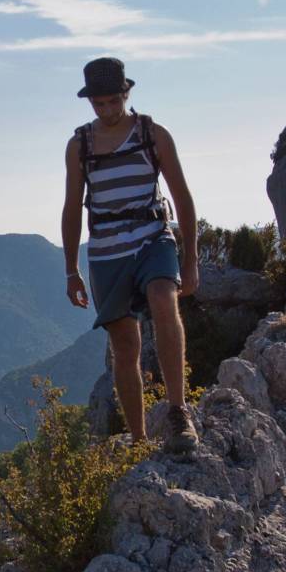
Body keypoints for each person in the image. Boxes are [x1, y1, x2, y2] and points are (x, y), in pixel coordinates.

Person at [59, 57, 201, 454]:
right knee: (124, 343)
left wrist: (190, 261)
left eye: (112, 101)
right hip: (106, 249)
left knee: (162, 298)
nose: (105, 110)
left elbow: (183, 197)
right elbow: (72, 208)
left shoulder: (153, 135)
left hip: (153, 236)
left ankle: (178, 413)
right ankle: (139, 438)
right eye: (97, 104)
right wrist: (71, 271)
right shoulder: (80, 146)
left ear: (126, 94)